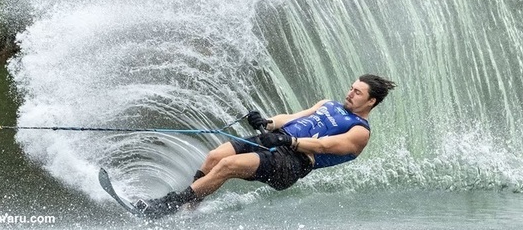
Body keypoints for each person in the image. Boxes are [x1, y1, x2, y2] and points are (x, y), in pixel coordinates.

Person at [134, 74, 397, 218]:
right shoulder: (328, 104)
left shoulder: (360, 132)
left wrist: (288, 140)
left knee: (227, 166)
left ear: (371, 102)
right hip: (275, 142)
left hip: (291, 164)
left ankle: (166, 206)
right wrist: (268, 123)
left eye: (357, 92)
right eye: (351, 88)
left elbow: (325, 146)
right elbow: (292, 118)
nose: (350, 93)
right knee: (215, 157)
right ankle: (189, 211)